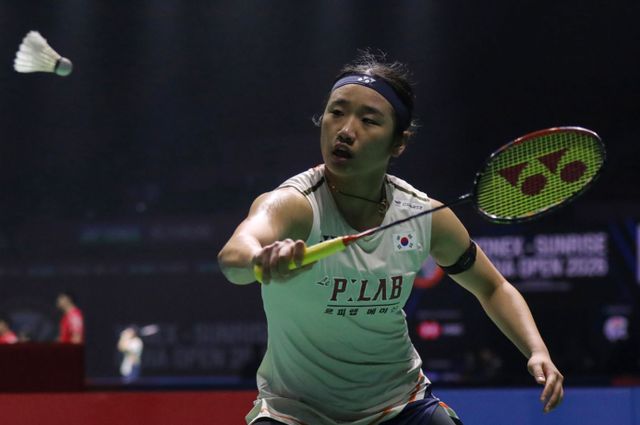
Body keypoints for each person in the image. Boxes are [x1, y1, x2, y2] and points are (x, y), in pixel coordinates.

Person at [218, 52, 564, 425]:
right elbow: (234, 256)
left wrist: (536, 349)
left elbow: (492, 286)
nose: (345, 130)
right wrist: (260, 259)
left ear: (399, 142)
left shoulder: (423, 215)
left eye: (369, 120)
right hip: (295, 410)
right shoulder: (297, 205)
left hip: (399, 407)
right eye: (337, 112)